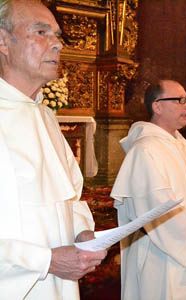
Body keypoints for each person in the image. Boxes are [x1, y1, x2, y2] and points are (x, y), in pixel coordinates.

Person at [0, 0, 107, 298]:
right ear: (3, 41)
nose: (57, 45)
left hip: (60, 284)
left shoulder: (46, 117)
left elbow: (69, 196)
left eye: (57, 35)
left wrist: (82, 232)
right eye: (41, 31)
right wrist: (45, 260)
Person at [111, 80, 186, 300]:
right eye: (180, 100)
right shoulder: (145, 149)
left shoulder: (181, 143)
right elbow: (157, 205)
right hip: (161, 254)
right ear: (157, 106)